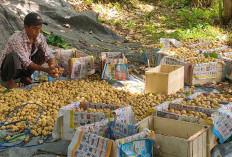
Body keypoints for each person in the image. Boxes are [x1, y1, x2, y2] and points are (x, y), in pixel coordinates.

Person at [0, 12, 62, 89]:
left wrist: (52, 66)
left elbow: (47, 53)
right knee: (13, 57)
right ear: (26, 27)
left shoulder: (40, 37)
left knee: (41, 53)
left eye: (39, 28)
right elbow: (26, 62)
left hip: (22, 68)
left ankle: (24, 76)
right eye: (35, 28)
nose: (38, 31)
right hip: (8, 70)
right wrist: (46, 70)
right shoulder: (16, 40)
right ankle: (10, 81)